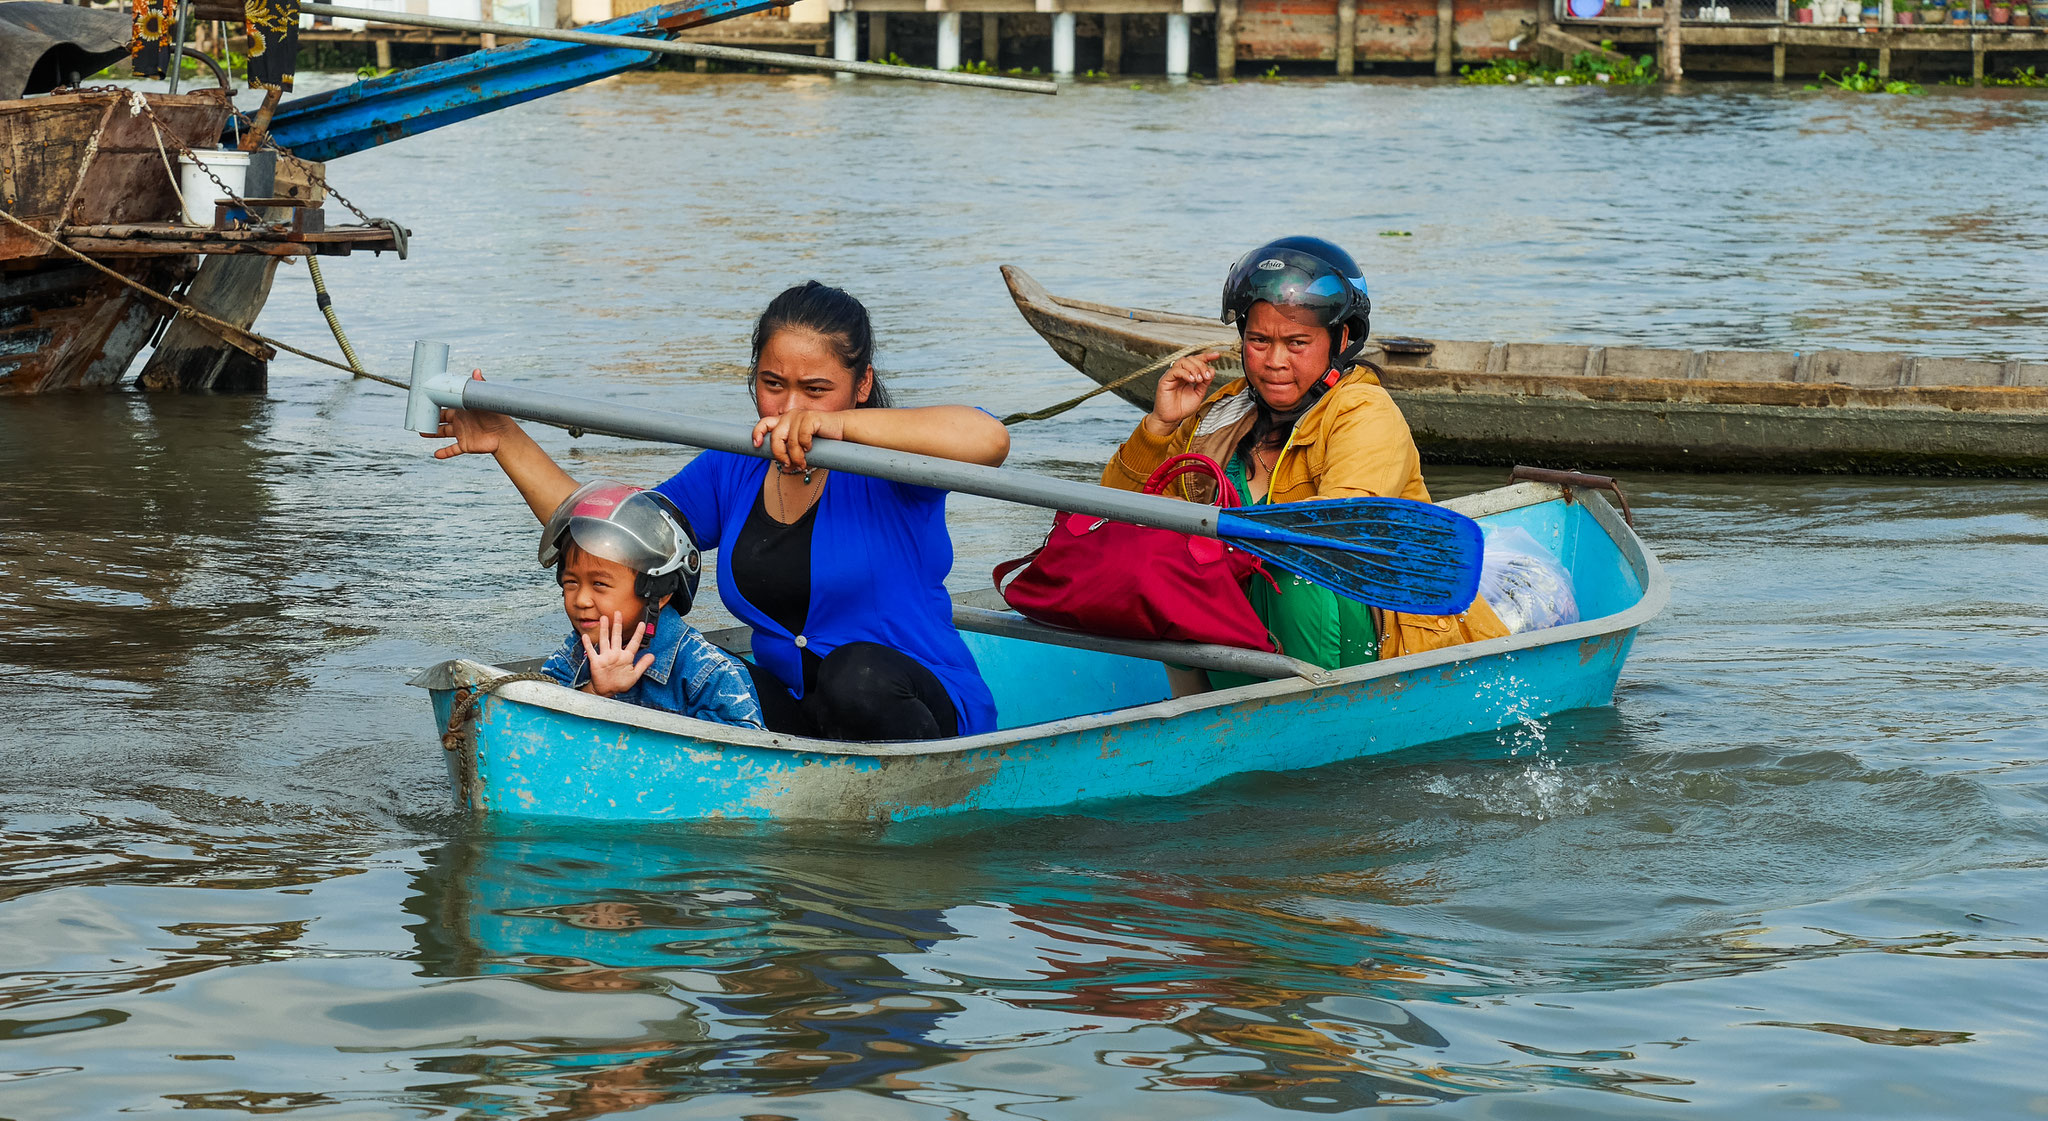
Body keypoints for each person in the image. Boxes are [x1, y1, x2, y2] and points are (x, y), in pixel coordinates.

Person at [429, 281, 1007, 741]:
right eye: (773, 384)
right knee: (654, 644)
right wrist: (507, 440)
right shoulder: (734, 469)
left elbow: (988, 439)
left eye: (816, 389)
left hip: (920, 713)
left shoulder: (896, 468)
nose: (788, 409)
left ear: (862, 386)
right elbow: (612, 537)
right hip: (802, 715)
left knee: (852, 677)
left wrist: (839, 427)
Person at [1101, 237, 1507, 689]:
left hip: (1380, 629)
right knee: (1163, 564)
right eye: (1258, 340)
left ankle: (1314, 714)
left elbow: (1338, 530)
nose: (1275, 361)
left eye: (1297, 342)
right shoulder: (1221, 413)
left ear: (1342, 338)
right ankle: (1197, 716)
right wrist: (1158, 426)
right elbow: (1114, 524)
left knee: (1296, 572)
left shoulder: (1363, 412)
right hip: (1253, 632)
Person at [536, 480, 764, 729]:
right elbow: (540, 728)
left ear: (658, 592)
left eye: (599, 584)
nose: (580, 600)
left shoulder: (706, 671)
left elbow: (742, 754)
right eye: (571, 582)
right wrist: (596, 693)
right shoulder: (575, 652)